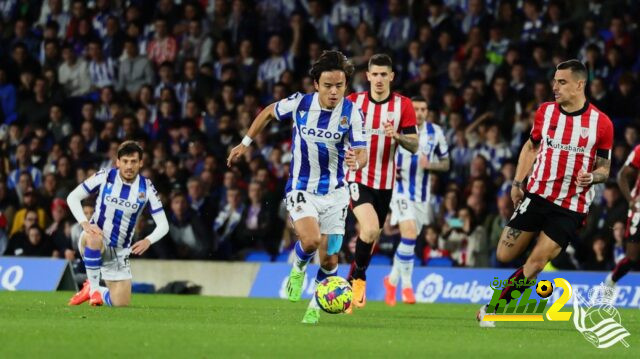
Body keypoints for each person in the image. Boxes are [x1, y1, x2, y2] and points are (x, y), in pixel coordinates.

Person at [227, 50, 367, 324]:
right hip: (301, 187)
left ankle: (315, 306)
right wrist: (244, 144)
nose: (334, 92)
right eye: (328, 86)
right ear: (316, 85)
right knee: (311, 240)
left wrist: (356, 161)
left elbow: (361, 153)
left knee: (329, 260)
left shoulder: (352, 113)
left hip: (336, 193)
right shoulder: (300, 103)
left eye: (339, 86)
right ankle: (298, 268)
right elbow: (268, 112)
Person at [477, 60, 613, 327]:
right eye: (554, 81)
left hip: (571, 206)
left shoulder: (602, 123)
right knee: (504, 255)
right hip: (537, 195)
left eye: (561, 82)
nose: (555, 87)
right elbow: (530, 148)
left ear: (579, 84)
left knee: (537, 263)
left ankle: (492, 309)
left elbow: (605, 168)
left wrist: (594, 177)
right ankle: (524, 264)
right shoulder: (545, 113)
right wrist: (517, 183)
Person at [345, 53, 418, 310]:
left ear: (391, 77)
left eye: (383, 74)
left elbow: (415, 145)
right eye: (374, 74)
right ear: (367, 76)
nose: (378, 79)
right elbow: (336, 130)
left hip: (385, 184)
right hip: (357, 177)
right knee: (371, 229)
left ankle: (351, 279)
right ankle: (360, 279)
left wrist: (397, 136)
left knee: (370, 236)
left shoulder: (403, 105)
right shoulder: (353, 102)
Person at [67, 141, 169, 307]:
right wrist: (85, 223)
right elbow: (72, 197)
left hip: (120, 252)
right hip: (94, 240)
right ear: (118, 162)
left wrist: (148, 240)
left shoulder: (147, 188)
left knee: (120, 304)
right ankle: (94, 290)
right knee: (94, 237)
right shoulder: (105, 176)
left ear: (141, 163)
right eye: (126, 161)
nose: (129, 166)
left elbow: (163, 225)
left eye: (134, 161)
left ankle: (93, 290)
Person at [383, 96, 449, 306]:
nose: (420, 113)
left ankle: (391, 280)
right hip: (399, 191)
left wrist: (431, 165)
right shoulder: (397, 129)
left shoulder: (435, 132)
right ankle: (407, 287)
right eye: (416, 109)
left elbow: (446, 164)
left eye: (423, 109)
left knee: (408, 241)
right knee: (409, 234)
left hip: (421, 196)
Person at [605, 144, 640, 286]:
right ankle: (611, 281)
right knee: (632, 258)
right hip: (639, 209)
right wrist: (631, 201)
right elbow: (622, 175)